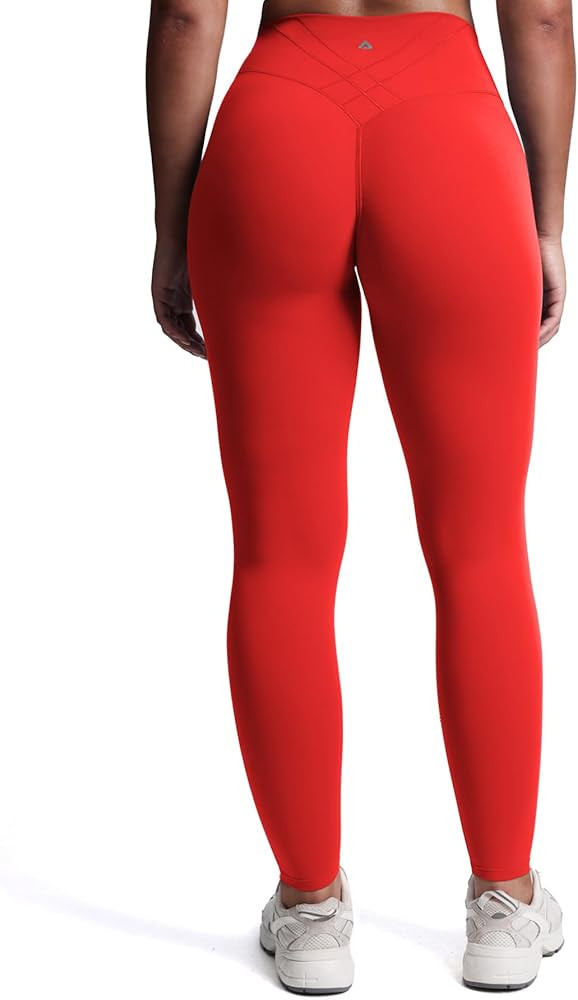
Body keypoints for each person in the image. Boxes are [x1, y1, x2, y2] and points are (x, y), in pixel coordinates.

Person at [146, 0, 574, 992]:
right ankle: (505, 905)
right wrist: (546, 220)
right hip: (451, 140)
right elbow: (545, 21)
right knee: (481, 548)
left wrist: (174, 224)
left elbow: (186, 18)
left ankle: (309, 913)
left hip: (275, 135)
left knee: (279, 557)